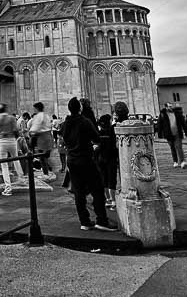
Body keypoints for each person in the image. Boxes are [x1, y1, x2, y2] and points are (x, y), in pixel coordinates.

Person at [59, 97, 116, 232]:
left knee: (78, 192)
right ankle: (102, 220)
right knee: (97, 189)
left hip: (72, 161)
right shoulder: (84, 122)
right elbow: (96, 138)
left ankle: (84, 222)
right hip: (85, 159)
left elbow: (64, 138)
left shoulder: (65, 124)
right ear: (80, 108)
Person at [0, 104, 24, 196]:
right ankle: (21, 179)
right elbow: (16, 130)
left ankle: (8, 188)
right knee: (16, 159)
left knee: (4, 165)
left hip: (2, 141)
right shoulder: (11, 118)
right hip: (12, 139)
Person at [95, 113, 119, 209]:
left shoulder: (99, 133)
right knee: (112, 179)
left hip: (101, 159)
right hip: (111, 158)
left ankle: (108, 199)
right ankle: (113, 200)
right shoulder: (111, 132)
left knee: (104, 179)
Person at [28, 102, 56, 176]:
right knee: (45, 156)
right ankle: (47, 171)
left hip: (42, 138)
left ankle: (46, 173)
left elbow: (35, 128)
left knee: (42, 157)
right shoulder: (46, 115)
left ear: (36, 108)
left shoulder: (38, 116)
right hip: (48, 136)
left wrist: (31, 132)